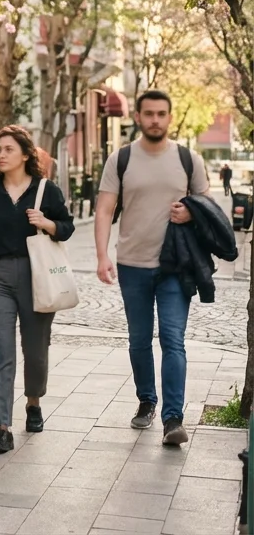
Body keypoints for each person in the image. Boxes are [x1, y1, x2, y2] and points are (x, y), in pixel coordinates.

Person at [94, 90, 210, 446]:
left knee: (173, 340)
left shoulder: (189, 159)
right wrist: (102, 256)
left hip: (176, 266)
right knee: (139, 340)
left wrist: (192, 211)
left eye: (161, 114)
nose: (155, 120)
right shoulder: (122, 158)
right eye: (149, 114)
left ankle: (173, 418)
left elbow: (207, 208)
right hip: (133, 264)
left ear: (170, 118)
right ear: (139, 118)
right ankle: (147, 399)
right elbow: (103, 210)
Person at [0, 125, 74, 454]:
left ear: (26, 154)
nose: (1, 155)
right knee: (0, 349)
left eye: (8, 149)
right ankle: (3, 427)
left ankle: (34, 402)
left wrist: (47, 223)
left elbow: (65, 227)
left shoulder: (46, 190)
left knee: (35, 349)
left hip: (36, 275)